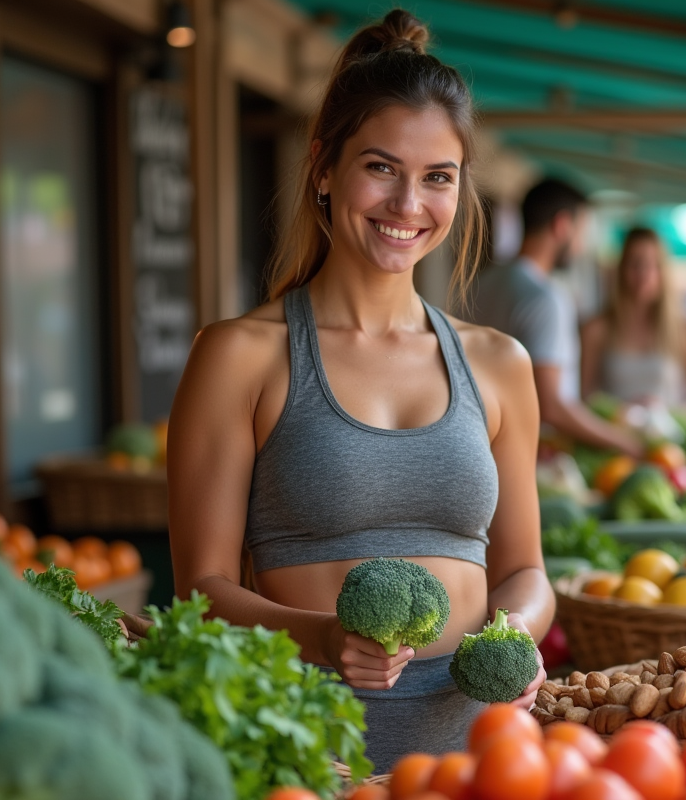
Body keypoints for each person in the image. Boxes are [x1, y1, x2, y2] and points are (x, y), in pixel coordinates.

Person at [150, 11, 553, 772]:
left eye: (438, 177)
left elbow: (525, 570)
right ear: (323, 168)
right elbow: (199, 593)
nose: (409, 204)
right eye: (381, 167)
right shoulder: (239, 355)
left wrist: (517, 633)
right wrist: (325, 638)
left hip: (479, 759)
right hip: (303, 755)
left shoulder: (498, 362)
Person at [472, 179, 642, 456]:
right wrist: (624, 442)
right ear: (562, 225)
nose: (581, 245)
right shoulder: (545, 298)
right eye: (582, 232)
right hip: (530, 457)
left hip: (483, 446)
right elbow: (551, 406)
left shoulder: (484, 283)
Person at [580, 227, 686, 409]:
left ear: (663, 271)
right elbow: (584, 396)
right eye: (635, 264)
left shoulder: (683, 327)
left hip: (667, 435)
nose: (643, 275)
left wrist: (663, 412)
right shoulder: (597, 328)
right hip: (612, 435)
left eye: (652, 265)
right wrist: (621, 411)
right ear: (621, 269)